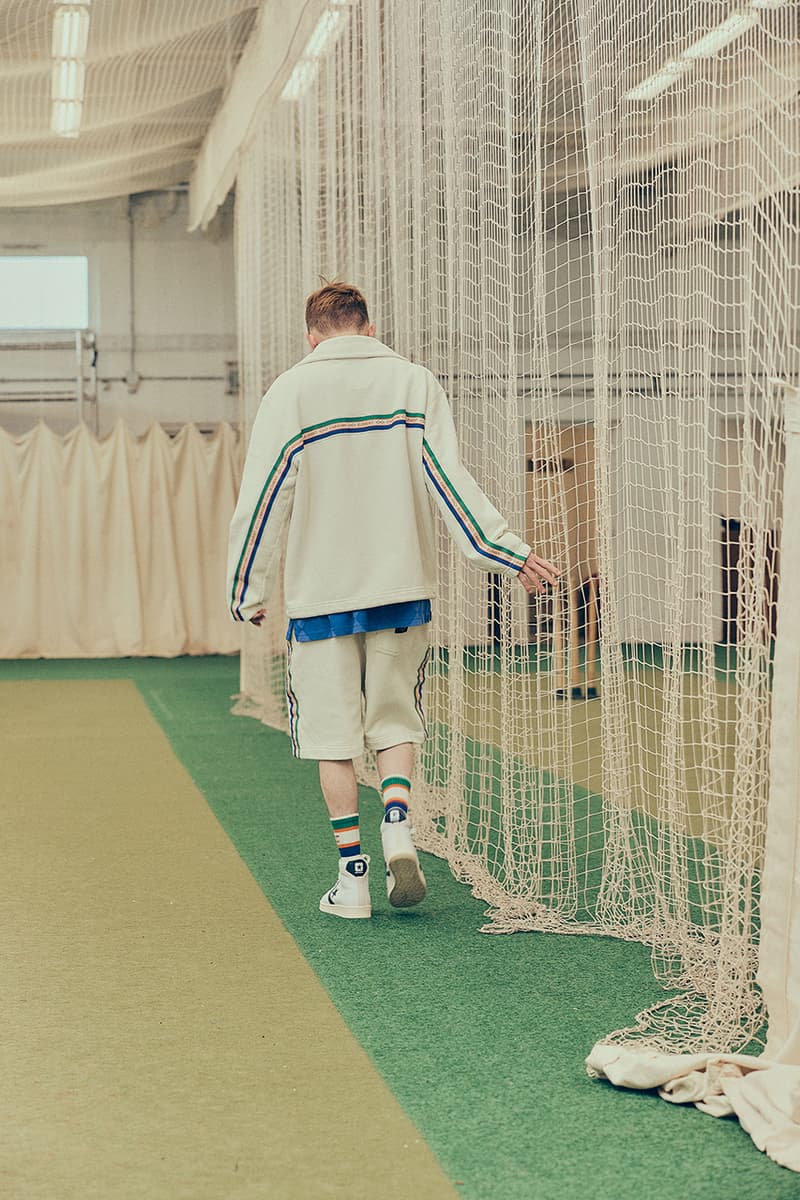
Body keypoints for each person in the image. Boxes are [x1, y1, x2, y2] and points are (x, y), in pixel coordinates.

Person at [227, 283, 559, 920]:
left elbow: (263, 499)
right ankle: (399, 824)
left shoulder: (290, 392)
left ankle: (352, 881)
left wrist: (248, 589)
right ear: (369, 325)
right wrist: (506, 551)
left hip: (322, 595)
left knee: (333, 737)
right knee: (395, 719)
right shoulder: (413, 382)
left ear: (311, 335)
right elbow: (448, 480)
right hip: (401, 588)